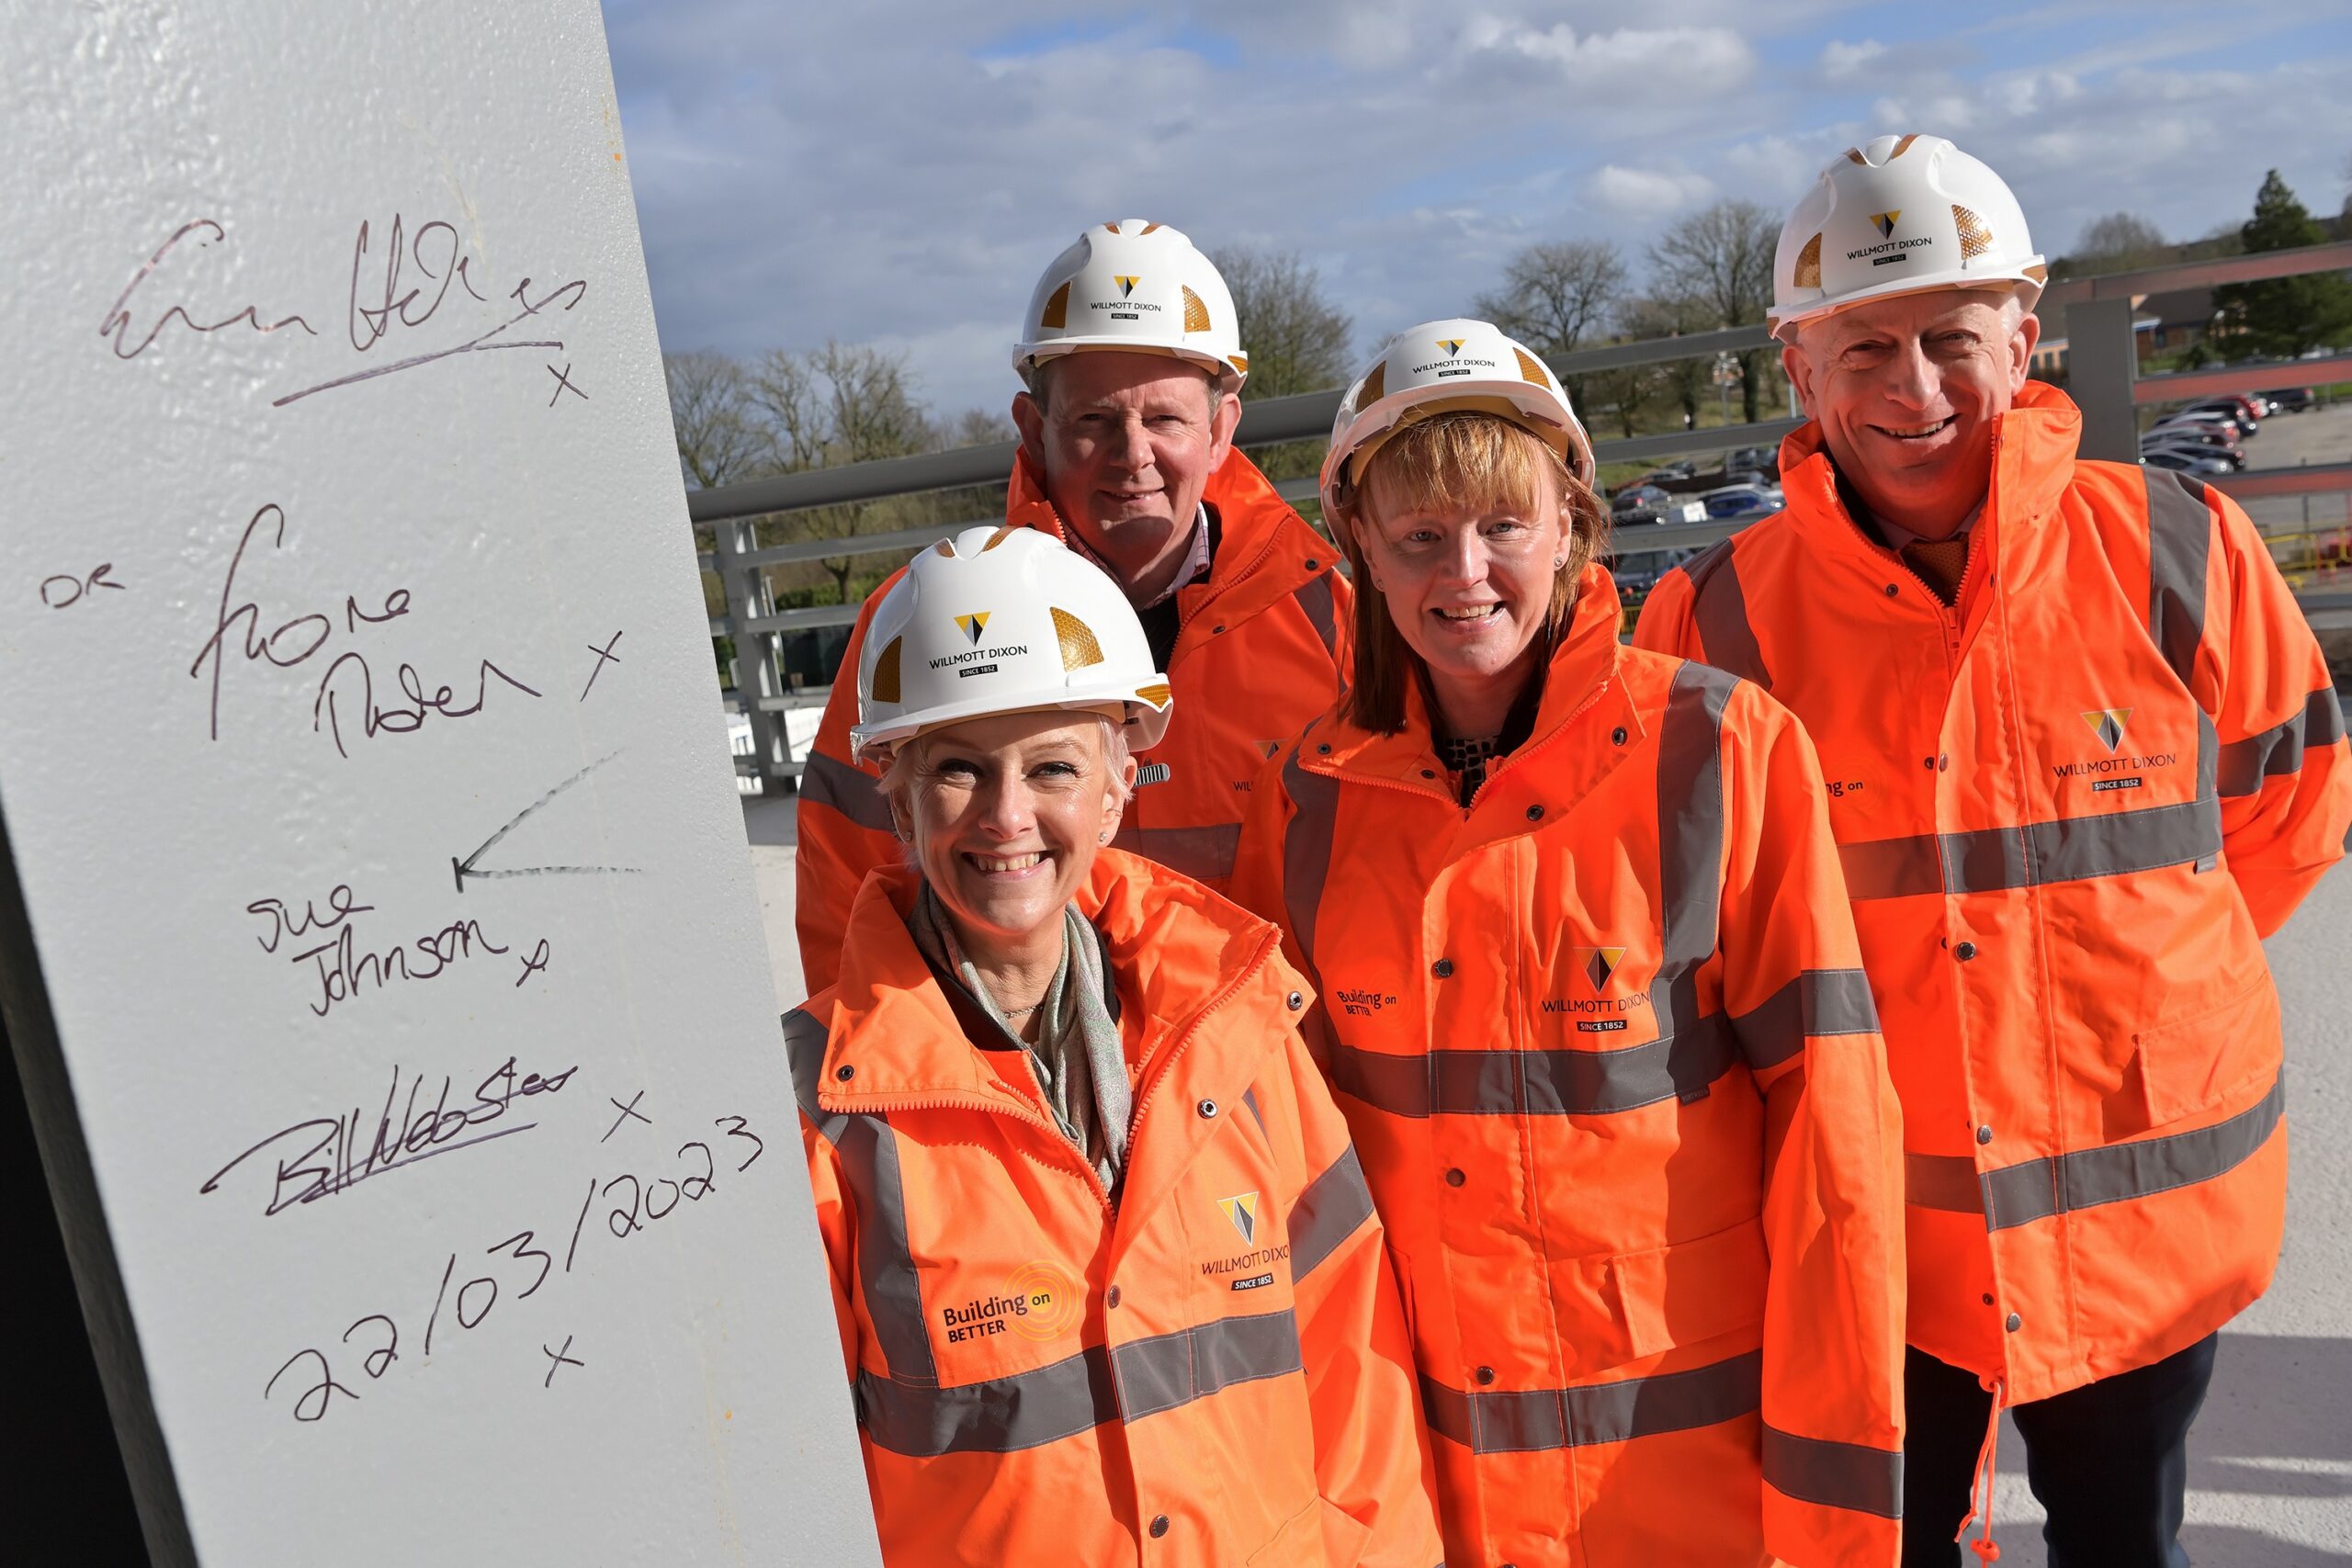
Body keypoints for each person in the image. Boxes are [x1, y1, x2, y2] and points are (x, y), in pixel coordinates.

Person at [1634, 133, 2352, 1567]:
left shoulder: (2177, 547)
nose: (1916, 389)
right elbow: (1685, 922)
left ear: (2023, 337)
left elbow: (2293, 809)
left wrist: (2126, 980)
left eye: (1953, 339)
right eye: (1867, 348)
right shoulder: (1713, 621)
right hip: (1875, 1235)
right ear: (1798, 369)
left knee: (2123, 1541)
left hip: (2139, 1207)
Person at [1230, 318, 1908, 1567]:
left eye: (1504, 524)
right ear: (1362, 552)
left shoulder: (1721, 751)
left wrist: (1837, 1506)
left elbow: (1838, 1146)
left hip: (1683, 1475)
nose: (1467, 570)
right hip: (1429, 1477)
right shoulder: (1307, 797)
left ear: (1572, 523)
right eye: (1421, 536)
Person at [784, 524, 1442, 1566]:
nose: (1007, 818)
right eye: (957, 770)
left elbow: (1352, 1360)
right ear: (895, 800)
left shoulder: (1239, 1033)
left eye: (1051, 766)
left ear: (1118, 786)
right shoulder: (817, 1115)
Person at [796, 220, 1352, 993]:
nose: (1132, 454)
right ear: (1033, 428)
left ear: (1222, 429)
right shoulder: (915, 623)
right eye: (1093, 419)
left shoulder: (1325, 616)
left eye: (1165, 418)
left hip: (1259, 1079)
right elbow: (844, 903)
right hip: (1018, 1082)